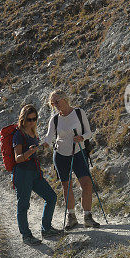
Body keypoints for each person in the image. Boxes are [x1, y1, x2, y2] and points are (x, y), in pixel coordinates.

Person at [43, 90, 100, 229]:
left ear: (65, 99)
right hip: (61, 155)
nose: (55, 105)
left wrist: (82, 138)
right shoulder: (55, 119)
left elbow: (88, 133)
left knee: (86, 183)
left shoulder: (79, 113)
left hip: (79, 152)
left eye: (57, 101)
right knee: (66, 186)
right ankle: (72, 217)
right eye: (52, 103)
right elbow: (49, 138)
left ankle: (88, 217)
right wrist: (39, 144)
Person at [12, 104, 62, 245]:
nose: (32, 122)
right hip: (22, 174)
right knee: (23, 205)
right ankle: (26, 236)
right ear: (23, 119)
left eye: (34, 119)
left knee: (51, 197)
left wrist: (40, 147)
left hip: (34, 172)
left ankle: (46, 229)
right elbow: (18, 158)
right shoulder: (18, 135)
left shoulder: (33, 132)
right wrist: (30, 152)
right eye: (29, 119)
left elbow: (33, 151)